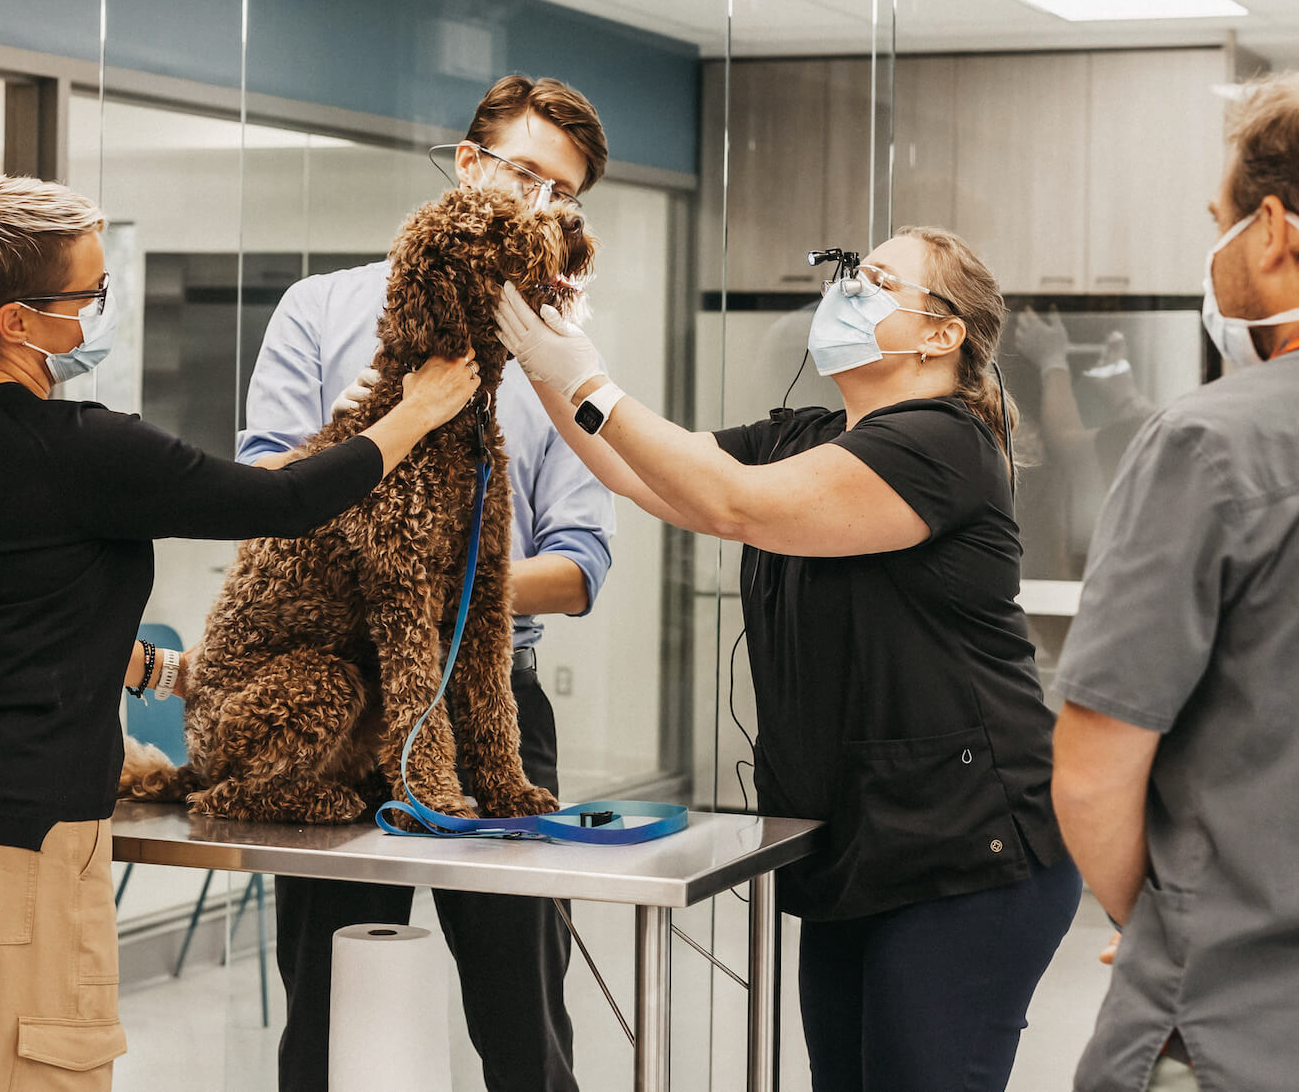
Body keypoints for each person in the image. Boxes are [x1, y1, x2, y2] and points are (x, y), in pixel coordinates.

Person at [0, 174, 483, 1092]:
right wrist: (414, 412)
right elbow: (283, 500)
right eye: (90, 296)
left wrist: (156, 666)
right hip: (9, 852)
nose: (105, 310)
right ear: (19, 322)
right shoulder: (84, 449)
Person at [495, 226, 1080, 1092]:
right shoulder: (804, 434)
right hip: (857, 845)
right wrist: (543, 352)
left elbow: (733, 505)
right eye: (848, 271)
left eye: (877, 279)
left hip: (971, 852)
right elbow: (636, 472)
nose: (847, 289)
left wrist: (585, 372)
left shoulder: (943, 443)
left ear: (941, 333)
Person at [237, 75, 615, 1092]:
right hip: (341, 701)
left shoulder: (564, 357)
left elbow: (580, 566)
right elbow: (267, 487)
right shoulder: (321, 313)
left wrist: (445, 604)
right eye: (527, 175)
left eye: (562, 196)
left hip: (491, 701)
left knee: (522, 1012)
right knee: (324, 1009)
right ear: (467, 163)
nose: (539, 206)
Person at [1048, 73, 1299, 1092]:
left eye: (1220, 223)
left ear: (1274, 227)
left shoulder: (1213, 443)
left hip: (1234, 1024)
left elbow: (1093, 772)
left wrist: (1161, 922)